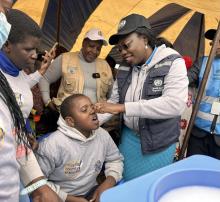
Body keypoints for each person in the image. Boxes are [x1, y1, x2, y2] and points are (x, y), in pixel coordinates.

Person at [96, 13, 188, 181]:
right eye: (119, 49)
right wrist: (91, 121)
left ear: (145, 39)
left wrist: (124, 108)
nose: (122, 52)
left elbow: (174, 104)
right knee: (125, 182)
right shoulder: (124, 68)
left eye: (126, 45)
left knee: (148, 187)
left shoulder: (172, 62)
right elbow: (113, 103)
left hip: (158, 144)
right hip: (129, 139)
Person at [0, 8, 60, 202]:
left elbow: (20, 86)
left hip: (17, 166)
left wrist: (38, 187)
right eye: (28, 49)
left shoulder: (16, 74)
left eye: (36, 49)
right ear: (7, 44)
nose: (35, 55)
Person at [35, 94, 123, 202]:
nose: (92, 111)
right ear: (70, 121)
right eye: (84, 110)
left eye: (92, 106)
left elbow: (115, 160)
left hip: (91, 192)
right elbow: (37, 183)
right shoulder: (52, 145)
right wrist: (69, 198)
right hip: (59, 197)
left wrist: (108, 182)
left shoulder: (102, 134)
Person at [39, 28, 113, 109]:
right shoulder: (65, 58)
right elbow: (45, 78)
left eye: (98, 49)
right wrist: (47, 101)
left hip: (96, 117)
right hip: (68, 116)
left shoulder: (105, 65)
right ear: (83, 43)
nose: (95, 51)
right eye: (91, 46)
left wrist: (107, 111)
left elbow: (113, 93)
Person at [187, 28, 220, 159]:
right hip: (198, 134)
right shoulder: (202, 62)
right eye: (213, 41)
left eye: (219, 41)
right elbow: (184, 80)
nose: (213, 44)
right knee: (192, 174)